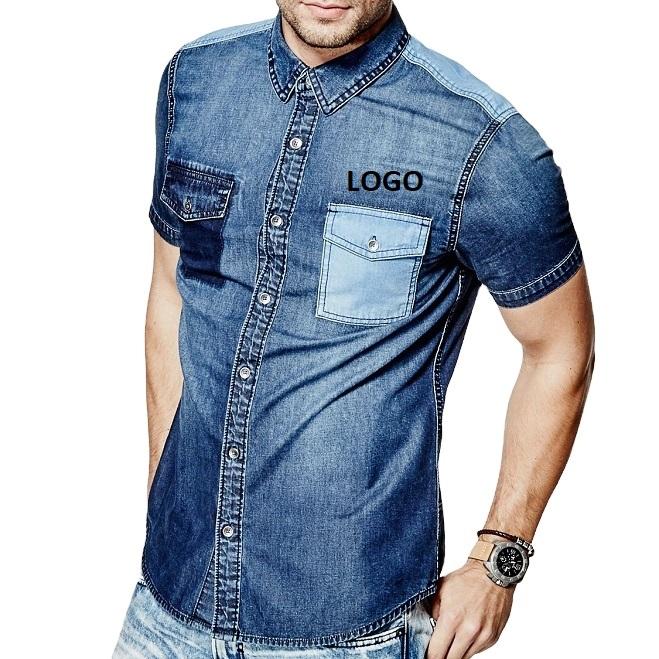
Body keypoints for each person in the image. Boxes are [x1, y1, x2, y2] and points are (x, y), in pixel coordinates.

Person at [113, 1, 595, 657]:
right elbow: (173, 290)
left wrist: (499, 559)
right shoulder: (194, 81)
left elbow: (561, 349)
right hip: (168, 607)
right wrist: (164, 495)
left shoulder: (482, 143)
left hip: (350, 631)